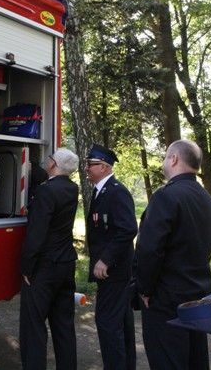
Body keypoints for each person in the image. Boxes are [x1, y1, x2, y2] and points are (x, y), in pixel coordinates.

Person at [134, 140, 211, 370]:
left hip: (166, 299)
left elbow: (149, 249)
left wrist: (145, 289)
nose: (164, 162)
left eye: (165, 157)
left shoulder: (166, 196)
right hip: (197, 294)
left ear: (174, 159)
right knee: (195, 360)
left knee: (168, 360)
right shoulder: (206, 198)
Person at [19, 148, 80, 370]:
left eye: (50, 158)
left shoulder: (46, 191)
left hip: (44, 267)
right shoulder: (72, 188)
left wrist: (27, 267)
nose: (47, 160)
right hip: (66, 264)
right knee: (64, 325)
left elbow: (37, 233)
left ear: (54, 165)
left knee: (33, 327)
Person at [85, 144, 138, 370]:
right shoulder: (101, 191)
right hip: (113, 272)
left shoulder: (116, 192)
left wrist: (105, 259)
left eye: (91, 164)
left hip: (115, 271)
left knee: (107, 323)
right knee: (120, 323)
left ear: (104, 167)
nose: (87, 168)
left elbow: (128, 229)